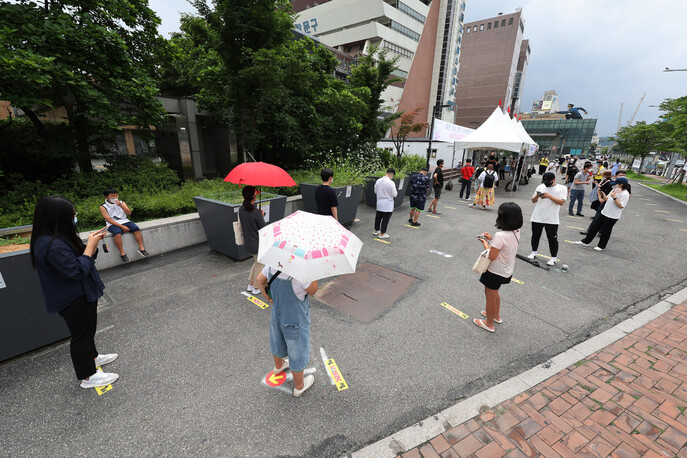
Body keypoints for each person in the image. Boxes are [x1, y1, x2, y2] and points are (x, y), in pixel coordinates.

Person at [30, 196, 119, 388]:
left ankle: (93, 357)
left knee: (86, 332)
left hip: (80, 293)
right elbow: (77, 270)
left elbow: (81, 260)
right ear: (58, 217)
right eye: (72, 215)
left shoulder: (57, 237)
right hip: (73, 298)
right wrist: (89, 247)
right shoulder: (50, 245)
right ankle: (88, 377)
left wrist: (90, 245)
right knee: (81, 337)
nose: (75, 218)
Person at [256, 267, 319, 397]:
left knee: (276, 339)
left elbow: (259, 279)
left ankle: (278, 366)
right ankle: (299, 386)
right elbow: (313, 290)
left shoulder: (271, 265)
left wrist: (267, 297)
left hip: (277, 314)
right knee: (297, 351)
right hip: (295, 320)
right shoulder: (301, 274)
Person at [473, 202, 523, 333]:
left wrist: (485, 243)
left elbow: (492, 256)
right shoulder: (516, 231)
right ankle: (496, 315)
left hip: (495, 271)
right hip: (506, 271)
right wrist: (492, 239)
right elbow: (504, 246)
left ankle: (489, 324)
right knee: (495, 293)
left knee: (490, 297)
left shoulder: (501, 236)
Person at [575, 177, 630, 251]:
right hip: (604, 212)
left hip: (612, 215)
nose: (615, 185)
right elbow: (607, 199)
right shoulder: (615, 190)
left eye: (617, 184)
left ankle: (601, 246)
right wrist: (603, 195)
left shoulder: (625, 194)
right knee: (594, 227)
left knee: (606, 231)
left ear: (621, 184)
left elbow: (621, 206)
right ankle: (585, 241)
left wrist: (614, 198)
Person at [527, 172, 567, 266]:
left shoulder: (562, 188)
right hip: (537, 216)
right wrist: (537, 195)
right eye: (544, 181)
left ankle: (553, 258)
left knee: (552, 238)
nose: (546, 183)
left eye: (548, 181)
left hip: (551, 218)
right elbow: (533, 201)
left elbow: (561, 202)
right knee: (535, 235)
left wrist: (549, 196)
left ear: (553, 180)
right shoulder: (540, 186)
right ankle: (534, 252)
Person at [99, 189, 149, 262]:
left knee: (136, 228)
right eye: (112, 196)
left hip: (124, 220)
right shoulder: (103, 207)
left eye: (116, 195)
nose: (115, 197)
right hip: (112, 223)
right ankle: (122, 253)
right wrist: (122, 227)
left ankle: (141, 248)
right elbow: (108, 219)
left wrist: (120, 205)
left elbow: (129, 213)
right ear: (107, 197)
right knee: (117, 234)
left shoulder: (121, 202)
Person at [239, 185, 266, 295]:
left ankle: (251, 284)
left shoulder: (241, 209)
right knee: (260, 263)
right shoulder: (256, 212)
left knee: (256, 262)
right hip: (257, 243)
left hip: (248, 242)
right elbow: (264, 228)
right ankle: (256, 287)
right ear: (254, 197)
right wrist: (261, 216)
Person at [581, 171, 613, 236]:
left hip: (605, 201)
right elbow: (599, 188)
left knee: (599, 218)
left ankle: (593, 231)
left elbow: (600, 189)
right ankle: (596, 231)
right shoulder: (605, 181)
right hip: (602, 200)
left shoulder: (609, 183)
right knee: (599, 217)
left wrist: (601, 198)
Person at [373, 168, 397, 239]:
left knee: (378, 217)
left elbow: (375, 191)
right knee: (385, 219)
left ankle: (376, 230)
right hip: (388, 203)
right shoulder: (391, 182)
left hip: (380, 201)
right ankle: (382, 233)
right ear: (392, 174)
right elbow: (394, 194)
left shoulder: (378, 181)